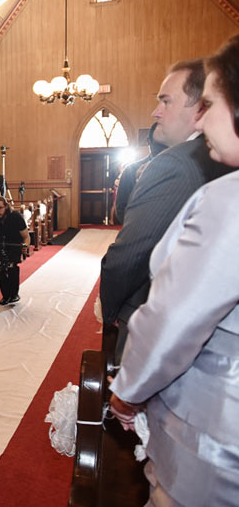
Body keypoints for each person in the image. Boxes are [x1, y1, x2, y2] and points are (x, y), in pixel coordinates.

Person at [109, 36, 239, 507]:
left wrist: (127, 392)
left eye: (212, 101)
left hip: (218, 433)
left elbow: (176, 316)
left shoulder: (231, 200)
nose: (203, 116)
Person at [100, 58, 235, 363]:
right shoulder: (222, 157)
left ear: (199, 108)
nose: (155, 112)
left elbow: (132, 253)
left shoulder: (174, 163)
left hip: (157, 328)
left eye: (166, 101)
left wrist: (110, 311)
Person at [0, 196, 29, 306]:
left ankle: (14, 294)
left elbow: (26, 236)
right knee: (0, 270)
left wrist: (25, 246)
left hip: (15, 244)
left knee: (11, 268)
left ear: (6, 206)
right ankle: (6, 296)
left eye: (0, 208)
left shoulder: (16, 216)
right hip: (1, 244)